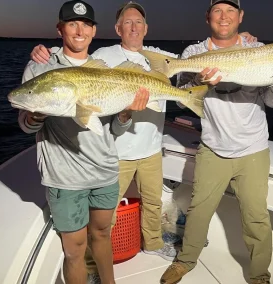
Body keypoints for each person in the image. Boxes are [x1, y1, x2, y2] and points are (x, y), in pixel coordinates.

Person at [28, 0, 258, 279]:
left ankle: (153, 244)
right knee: (105, 220)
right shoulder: (105, 54)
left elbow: (197, 61)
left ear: (147, 28)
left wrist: (241, 43)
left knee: (153, 202)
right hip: (117, 150)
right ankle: (90, 266)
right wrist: (47, 51)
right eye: (127, 22)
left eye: (139, 22)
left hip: (151, 147)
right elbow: (78, 62)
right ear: (117, 28)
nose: (134, 27)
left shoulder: (158, 56)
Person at [160, 1, 273, 284]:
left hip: (253, 149)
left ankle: (259, 275)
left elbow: (271, 101)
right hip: (213, 148)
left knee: (256, 217)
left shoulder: (259, 50)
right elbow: (181, 97)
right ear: (208, 17)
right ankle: (185, 261)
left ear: (240, 16)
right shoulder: (194, 53)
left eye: (230, 10)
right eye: (217, 10)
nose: (224, 16)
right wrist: (200, 80)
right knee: (199, 211)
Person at [17, 1, 150, 284]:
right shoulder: (41, 67)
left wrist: (126, 112)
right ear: (60, 28)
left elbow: (116, 128)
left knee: (102, 234)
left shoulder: (106, 70)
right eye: (72, 23)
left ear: (93, 31)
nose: (80, 30)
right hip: (65, 178)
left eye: (86, 24)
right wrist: (37, 114)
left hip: (104, 171)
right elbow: (26, 126)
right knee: (74, 250)